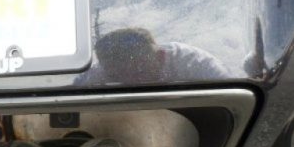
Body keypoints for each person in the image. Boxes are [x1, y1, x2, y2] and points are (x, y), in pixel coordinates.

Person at [76, 27, 230, 85]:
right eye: (118, 76)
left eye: (140, 70)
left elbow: (229, 92)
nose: (132, 82)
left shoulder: (194, 63)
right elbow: (73, 91)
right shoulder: (98, 74)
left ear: (161, 56)